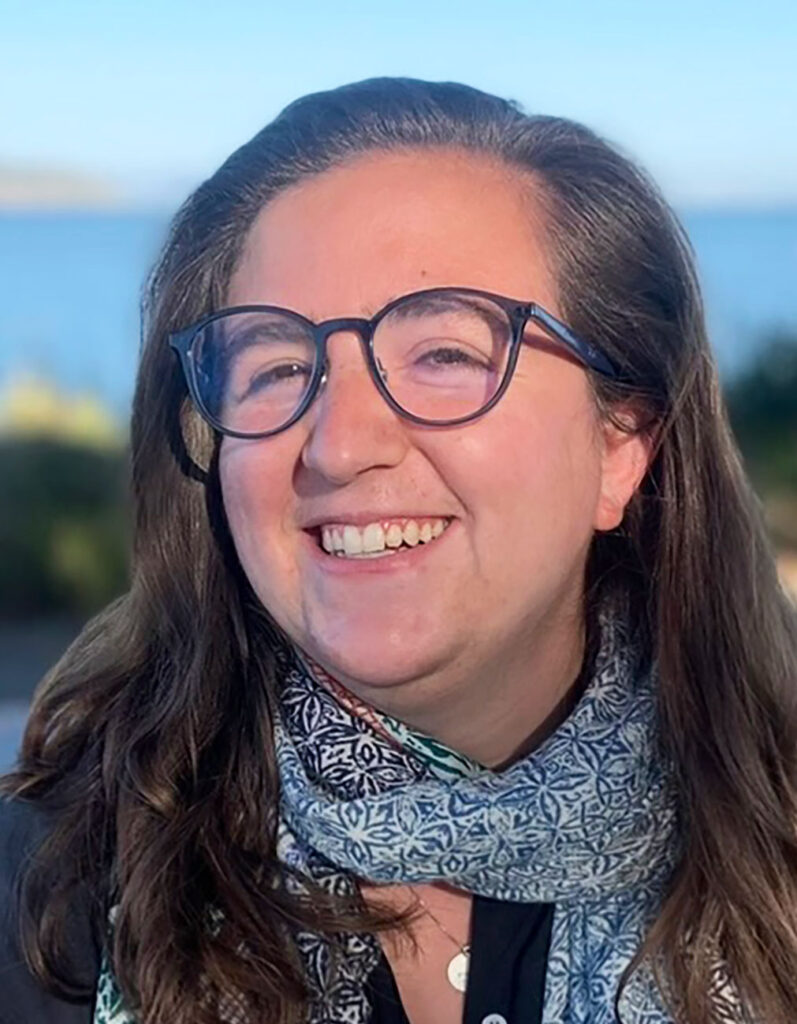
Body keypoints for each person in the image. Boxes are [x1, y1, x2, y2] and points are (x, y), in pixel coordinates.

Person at [1, 77, 796, 1024]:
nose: (339, 444)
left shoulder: (773, 849)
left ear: (620, 444)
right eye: (279, 366)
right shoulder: (50, 897)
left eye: (446, 355)